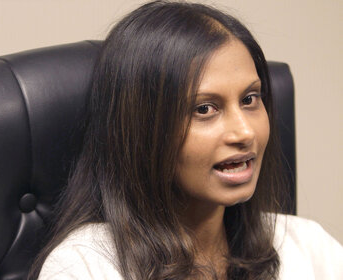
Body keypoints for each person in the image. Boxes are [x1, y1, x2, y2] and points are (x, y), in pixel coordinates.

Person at [30, 1, 343, 279]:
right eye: (205, 108)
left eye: (250, 99)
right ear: (143, 129)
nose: (245, 132)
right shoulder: (83, 265)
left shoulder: (309, 247)